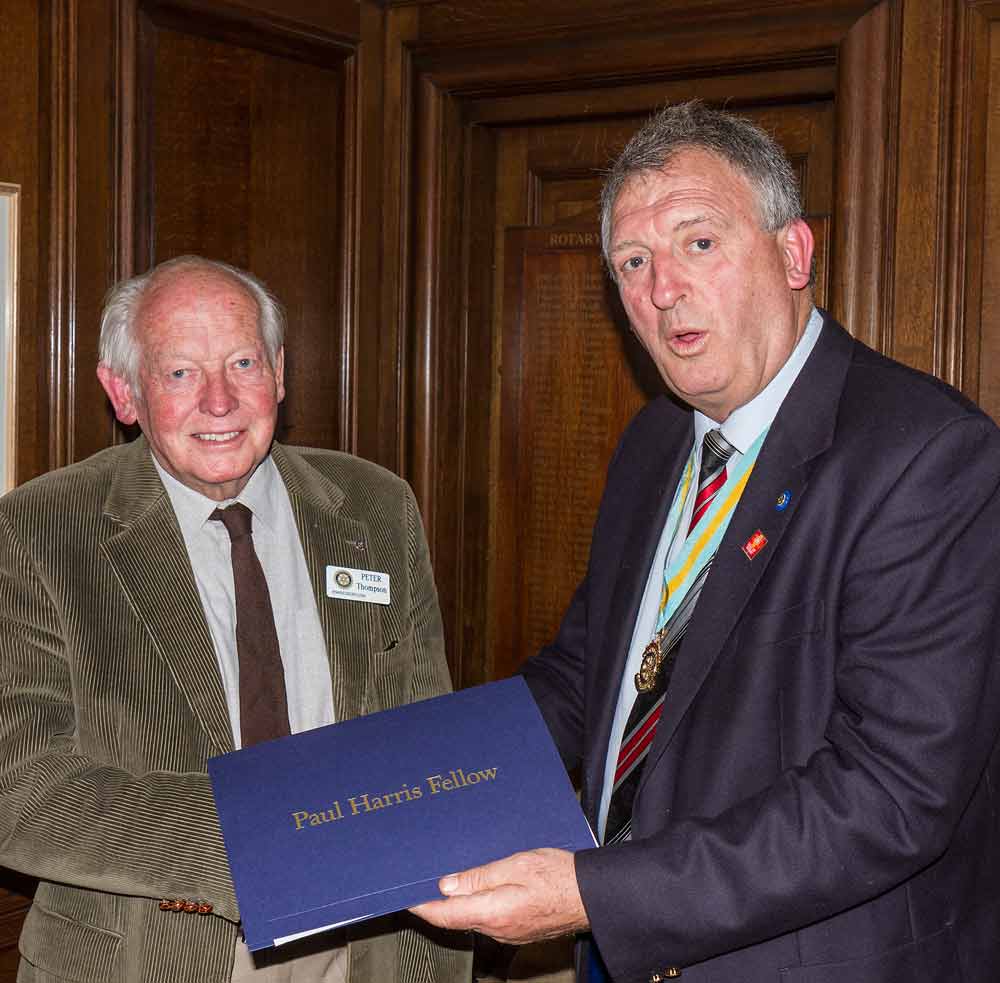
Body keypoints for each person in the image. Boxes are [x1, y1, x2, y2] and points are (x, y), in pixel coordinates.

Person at [413, 102, 1000, 982]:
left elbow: (891, 794)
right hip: (624, 948)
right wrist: (404, 781)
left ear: (794, 253)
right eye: (633, 263)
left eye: (699, 244)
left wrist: (595, 894)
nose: (661, 290)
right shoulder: (655, 443)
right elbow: (589, 678)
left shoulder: (925, 454)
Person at [0, 256, 471, 982]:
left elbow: (427, 733)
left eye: (243, 361)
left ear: (279, 372)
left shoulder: (376, 507)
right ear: (123, 392)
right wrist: (260, 843)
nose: (220, 401)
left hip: (367, 950)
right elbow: (20, 787)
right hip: (154, 952)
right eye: (180, 372)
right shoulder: (39, 530)